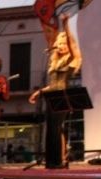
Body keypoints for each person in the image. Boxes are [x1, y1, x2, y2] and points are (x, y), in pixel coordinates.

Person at [29, 13, 82, 169]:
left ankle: (58, 160)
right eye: (60, 43)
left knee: (57, 127)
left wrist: (65, 26)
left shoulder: (71, 59)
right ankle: (51, 161)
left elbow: (73, 47)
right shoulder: (54, 62)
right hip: (51, 96)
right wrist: (38, 93)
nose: (61, 45)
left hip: (63, 96)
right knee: (50, 128)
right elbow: (52, 84)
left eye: (64, 43)